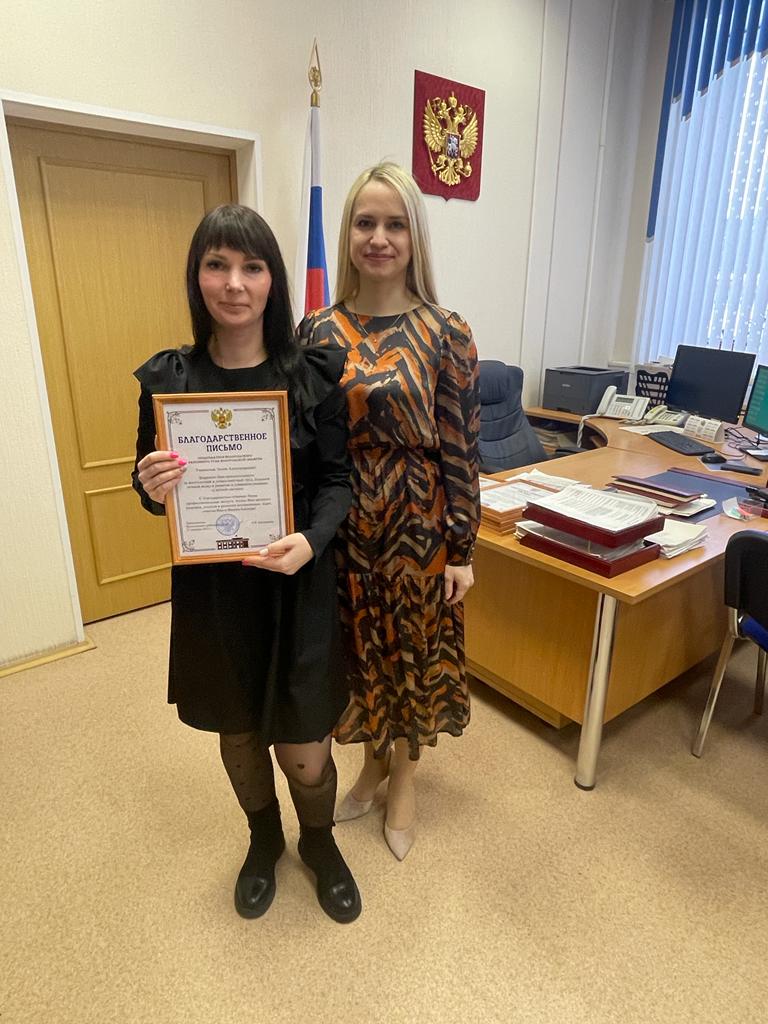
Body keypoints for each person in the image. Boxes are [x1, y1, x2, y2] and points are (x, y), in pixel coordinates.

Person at [132, 204, 361, 923]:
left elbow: (339, 481)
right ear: (196, 276)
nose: (234, 283)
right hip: (215, 594)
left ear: (273, 280)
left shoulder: (312, 374)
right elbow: (153, 494)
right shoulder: (169, 381)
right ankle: (264, 841)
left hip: (297, 583)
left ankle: (318, 842)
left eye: (251, 267)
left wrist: (312, 541)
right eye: (217, 265)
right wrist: (148, 484)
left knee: (305, 747)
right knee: (237, 731)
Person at [298, 163, 480, 861]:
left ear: (414, 237)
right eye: (365, 222)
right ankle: (373, 761)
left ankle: (404, 776)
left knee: (414, 656)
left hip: (417, 524)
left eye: (395, 224)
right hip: (343, 524)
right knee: (360, 654)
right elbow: (302, 438)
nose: (379, 238)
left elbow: (462, 447)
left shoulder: (445, 331)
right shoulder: (317, 330)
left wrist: (462, 548)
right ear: (348, 233)